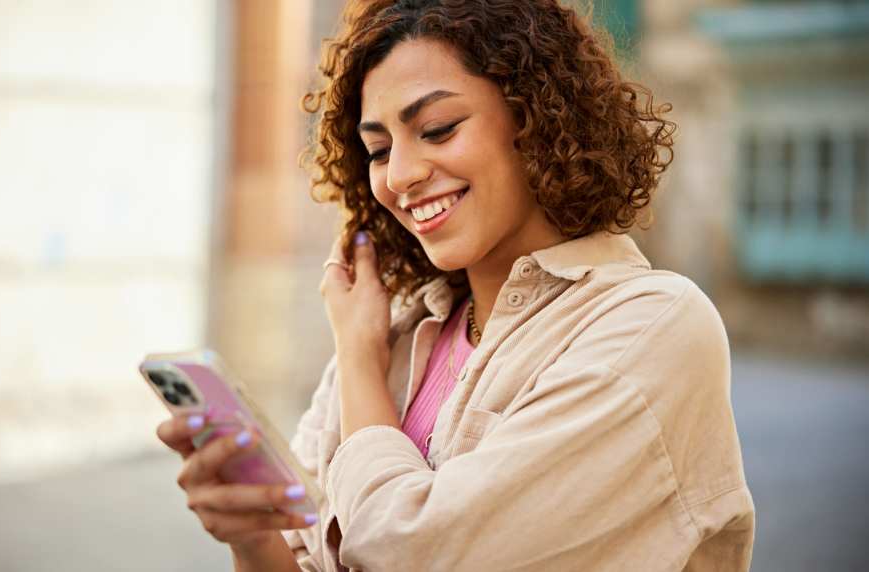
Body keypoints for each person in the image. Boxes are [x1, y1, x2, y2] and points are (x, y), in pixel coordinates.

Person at [156, 1, 756, 570]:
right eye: (379, 149)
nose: (401, 176)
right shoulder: (392, 333)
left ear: (535, 117)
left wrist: (360, 364)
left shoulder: (653, 325)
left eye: (438, 129)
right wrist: (254, 536)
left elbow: (416, 555)